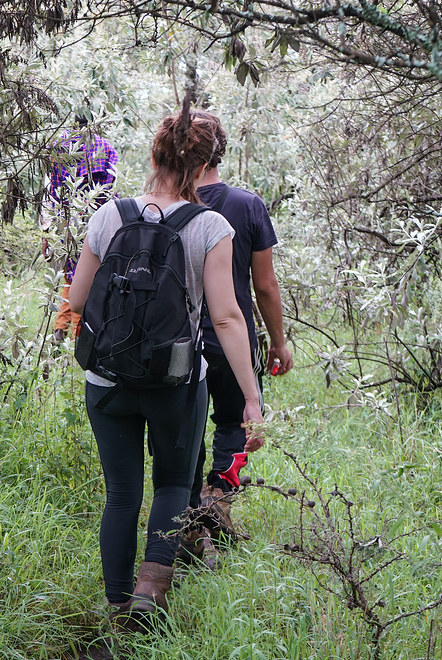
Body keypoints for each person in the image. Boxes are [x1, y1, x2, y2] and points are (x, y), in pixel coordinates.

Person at [68, 103, 264, 624]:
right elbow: (226, 319)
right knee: (173, 486)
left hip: (105, 381)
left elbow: (79, 296)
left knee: (121, 494)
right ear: (203, 169)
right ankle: (149, 596)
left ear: (154, 156)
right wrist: (249, 396)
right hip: (177, 382)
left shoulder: (109, 214)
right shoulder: (212, 226)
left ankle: (114, 606)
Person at [182, 111, 294, 566]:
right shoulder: (247, 205)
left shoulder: (165, 204)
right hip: (233, 343)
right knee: (237, 425)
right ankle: (217, 505)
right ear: (219, 152)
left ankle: (191, 524)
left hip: (180, 344)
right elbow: (265, 285)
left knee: (186, 433)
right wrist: (278, 341)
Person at [41, 115, 118, 342]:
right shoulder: (105, 147)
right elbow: (112, 189)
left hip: (64, 222)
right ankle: (75, 335)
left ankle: (61, 328)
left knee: (70, 275)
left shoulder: (58, 146)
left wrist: (46, 229)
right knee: (86, 279)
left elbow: (48, 191)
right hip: (95, 222)